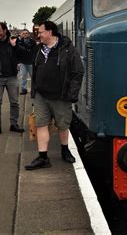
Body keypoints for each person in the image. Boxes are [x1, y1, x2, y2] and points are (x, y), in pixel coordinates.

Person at [25, 20, 84, 170]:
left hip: (60, 96)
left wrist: (72, 94)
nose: (39, 36)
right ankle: (43, 157)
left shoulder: (67, 49)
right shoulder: (39, 49)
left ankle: (65, 150)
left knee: (63, 125)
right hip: (41, 95)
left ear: (50, 32)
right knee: (41, 124)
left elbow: (78, 72)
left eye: (41, 32)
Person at [0, 22, 27, 136]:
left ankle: (14, 124)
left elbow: (23, 54)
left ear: (5, 30)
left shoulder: (13, 40)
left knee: (14, 102)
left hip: (12, 76)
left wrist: (15, 46)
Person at [16, 29, 36, 95]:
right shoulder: (19, 42)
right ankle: (24, 89)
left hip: (30, 61)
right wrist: (18, 62)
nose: (25, 34)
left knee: (33, 76)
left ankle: (34, 89)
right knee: (23, 76)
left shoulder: (32, 41)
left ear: (29, 34)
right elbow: (18, 52)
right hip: (22, 62)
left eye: (26, 33)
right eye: (23, 33)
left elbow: (34, 51)